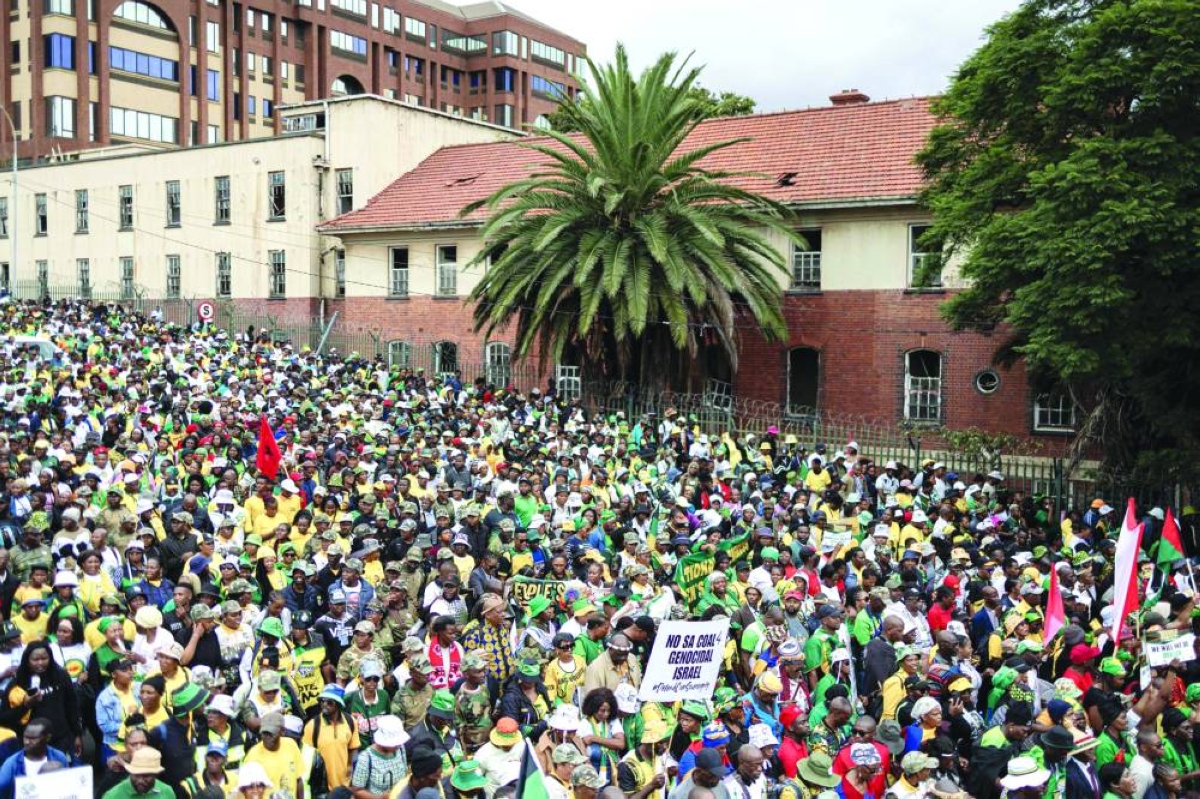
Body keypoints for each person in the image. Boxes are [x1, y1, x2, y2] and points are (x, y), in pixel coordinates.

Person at [303, 684, 361, 791]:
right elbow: (306, 758)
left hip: (345, 784)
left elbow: (353, 747)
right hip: (321, 787)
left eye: (330, 702)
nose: (325, 705)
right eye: (322, 701)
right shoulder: (312, 725)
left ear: (338, 704)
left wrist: (350, 766)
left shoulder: (351, 721)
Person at [0, 718, 70, 799]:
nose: (27, 742)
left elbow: (66, 785)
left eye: (33, 739)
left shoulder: (59, 757)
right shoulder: (11, 763)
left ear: (47, 738)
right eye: (25, 737)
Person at [99, 747, 174, 799]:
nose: (140, 780)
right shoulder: (112, 796)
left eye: (146, 776)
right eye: (136, 775)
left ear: (155, 775)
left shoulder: (167, 792)